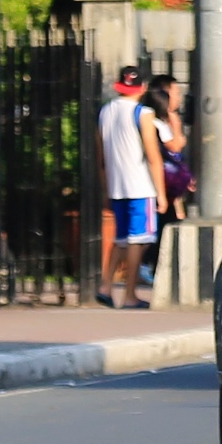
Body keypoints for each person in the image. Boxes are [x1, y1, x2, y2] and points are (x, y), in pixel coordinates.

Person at [99, 65, 166, 309]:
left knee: (121, 237)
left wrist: (105, 189)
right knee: (139, 239)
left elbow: (101, 159)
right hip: (140, 186)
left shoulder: (105, 111)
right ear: (144, 87)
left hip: (117, 185)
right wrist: (161, 193)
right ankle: (129, 294)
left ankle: (106, 285)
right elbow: (152, 155)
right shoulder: (143, 113)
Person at [141, 75, 193, 224]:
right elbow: (176, 145)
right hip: (160, 186)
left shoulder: (161, 122)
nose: (178, 98)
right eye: (175, 93)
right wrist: (176, 124)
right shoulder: (156, 123)